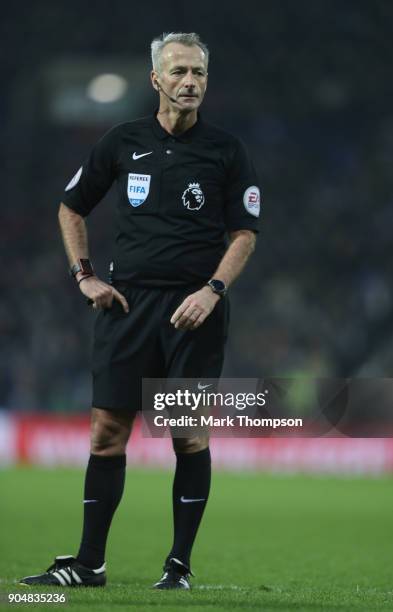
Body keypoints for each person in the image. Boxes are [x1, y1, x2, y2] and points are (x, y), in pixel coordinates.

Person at [20, 32, 260, 590]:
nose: (189, 82)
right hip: (127, 306)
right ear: (156, 79)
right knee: (107, 433)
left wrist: (213, 291)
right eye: (178, 72)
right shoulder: (122, 142)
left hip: (194, 310)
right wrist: (85, 277)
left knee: (186, 432)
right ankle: (88, 564)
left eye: (198, 72)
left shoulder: (226, 150)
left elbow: (245, 232)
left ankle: (178, 565)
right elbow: (71, 206)